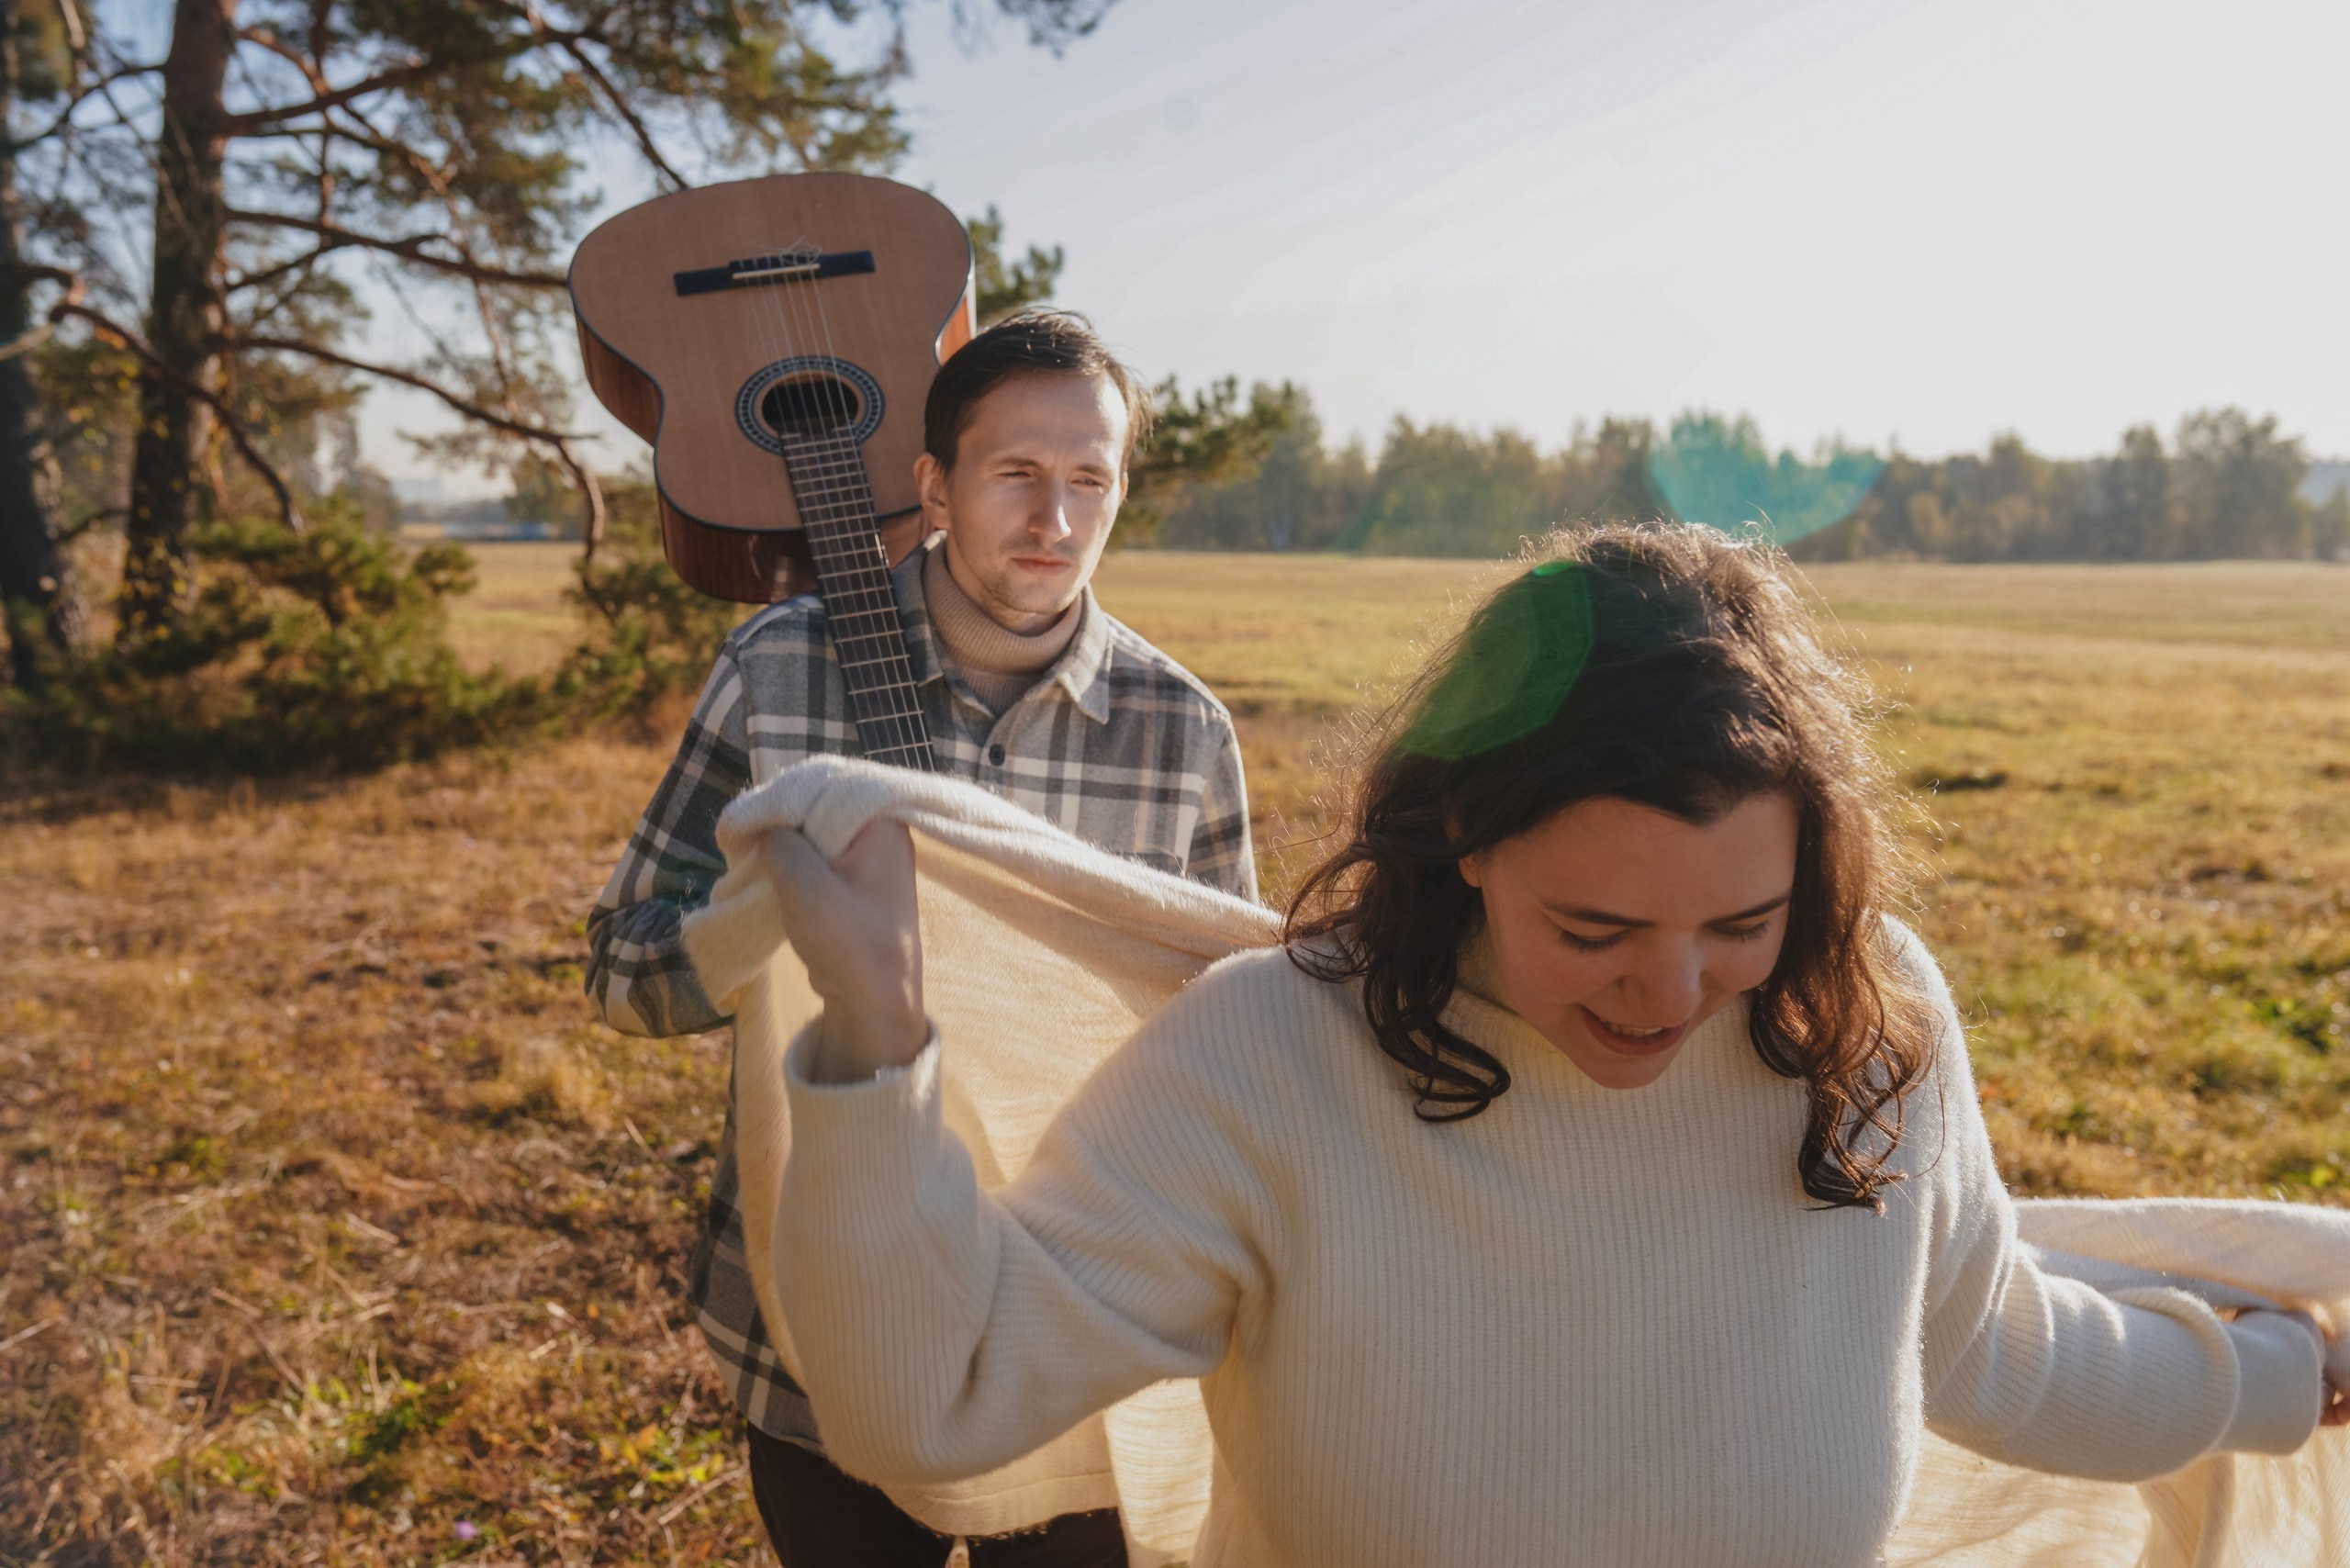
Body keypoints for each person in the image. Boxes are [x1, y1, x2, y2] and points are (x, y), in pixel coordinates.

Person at [754, 523, 2348, 1567]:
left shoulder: (1867, 1020)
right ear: (1462, 838)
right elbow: (932, 1403)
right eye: (1595, 933)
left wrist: (2297, 1372)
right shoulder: (1276, 1060)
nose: (1672, 993)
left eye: (1743, 923)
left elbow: (1999, 1347)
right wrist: (880, 1052)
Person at [585, 308, 1256, 1568]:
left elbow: (1230, 1032)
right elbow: (622, 971)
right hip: (819, 1333)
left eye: (1089, 480)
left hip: (1071, 1332)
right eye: (1016, 475)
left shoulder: (1183, 733)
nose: (1055, 519)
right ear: (934, 486)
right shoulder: (778, 671)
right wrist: (774, 922)